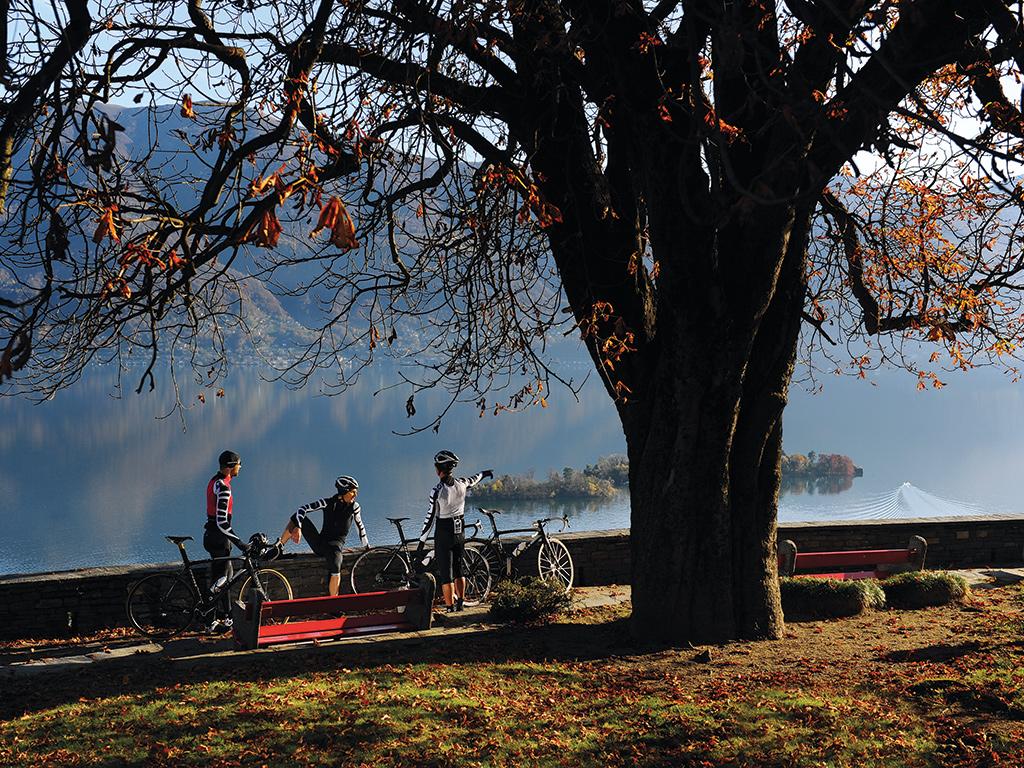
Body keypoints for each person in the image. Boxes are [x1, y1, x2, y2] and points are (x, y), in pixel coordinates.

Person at [418, 450, 493, 612]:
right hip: (460, 532)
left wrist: (421, 542)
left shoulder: (437, 490)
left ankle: (450, 607)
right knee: (460, 570)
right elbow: (475, 478)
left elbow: (430, 518)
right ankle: (460, 602)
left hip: (443, 532)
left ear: (438, 470)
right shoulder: (462, 483)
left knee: (447, 574)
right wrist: (485, 473)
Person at [277, 475, 369, 595]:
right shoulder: (327, 503)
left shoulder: (355, 507)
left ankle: (333, 604)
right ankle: (279, 547)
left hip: (335, 547)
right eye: (353, 492)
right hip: (320, 544)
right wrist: (299, 527)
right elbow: (302, 509)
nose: (355, 495)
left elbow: (360, 526)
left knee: (336, 565)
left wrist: (366, 546)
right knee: (297, 517)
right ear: (344, 491)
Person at [204, 449, 246, 632]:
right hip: (218, 538)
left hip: (214, 536)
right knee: (218, 581)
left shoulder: (216, 481)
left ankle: (228, 617)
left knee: (226, 577)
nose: (240, 467)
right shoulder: (223, 487)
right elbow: (221, 521)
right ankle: (208, 622)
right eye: (238, 464)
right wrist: (240, 543)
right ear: (230, 467)